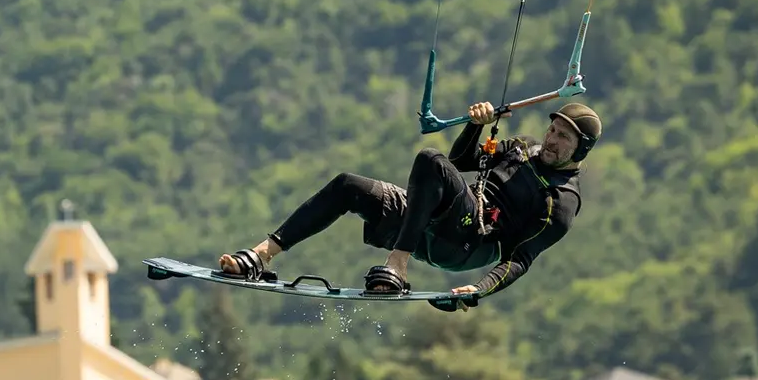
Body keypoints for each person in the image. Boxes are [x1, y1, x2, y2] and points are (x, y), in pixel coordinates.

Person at [216, 100, 600, 305]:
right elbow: (463, 161)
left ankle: (397, 265)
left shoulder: (561, 203)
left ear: (580, 149)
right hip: (443, 219)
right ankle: (262, 254)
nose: (551, 140)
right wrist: (477, 124)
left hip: (470, 243)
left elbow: (520, 259)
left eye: (564, 138)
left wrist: (480, 288)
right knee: (349, 185)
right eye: (553, 129)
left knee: (429, 160)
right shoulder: (523, 148)